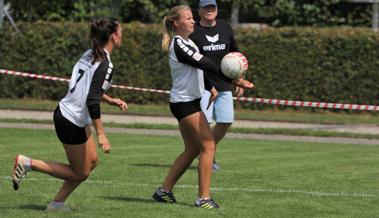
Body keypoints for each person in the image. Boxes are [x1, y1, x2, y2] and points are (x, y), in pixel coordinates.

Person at [11, 18, 128, 211]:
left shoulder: (90, 53)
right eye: (121, 32)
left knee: (92, 162)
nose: (122, 35)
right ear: (114, 37)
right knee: (81, 173)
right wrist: (101, 133)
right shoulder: (106, 64)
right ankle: (28, 163)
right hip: (69, 120)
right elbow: (91, 100)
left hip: (73, 117)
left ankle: (56, 204)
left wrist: (109, 99)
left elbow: (89, 88)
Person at [152, 5, 223, 209]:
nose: (193, 21)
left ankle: (163, 192)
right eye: (189, 18)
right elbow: (204, 63)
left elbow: (198, 69)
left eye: (193, 18)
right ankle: (203, 198)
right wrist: (232, 77)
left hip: (187, 102)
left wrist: (210, 87)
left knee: (193, 149)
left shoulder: (188, 42)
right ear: (176, 23)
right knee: (208, 145)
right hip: (184, 104)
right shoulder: (179, 44)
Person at [189, 0, 254, 171]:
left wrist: (240, 78)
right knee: (205, 123)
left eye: (213, 7)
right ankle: (208, 155)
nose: (210, 10)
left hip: (224, 85)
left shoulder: (225, 28)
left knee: (225, 121)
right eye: (206, 7)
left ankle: (202, 149)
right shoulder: (193, 31)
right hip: (203, 86)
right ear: (199, 10)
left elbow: (236, 55)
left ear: (217, 9)